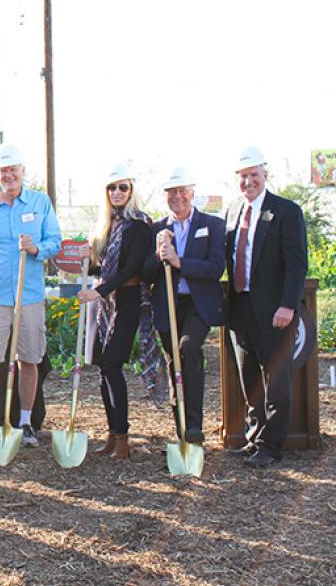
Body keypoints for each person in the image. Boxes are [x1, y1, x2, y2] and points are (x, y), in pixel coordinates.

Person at [0, 144, 62, 447]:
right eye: (3, 171)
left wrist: (36, 249)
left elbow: (55, 241)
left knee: (29, 359)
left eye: (13, 170)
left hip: (29, 296)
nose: (9, 175)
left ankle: (25, 423)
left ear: (22, 171)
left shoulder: (39, 202)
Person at [225, 146, 308, 468]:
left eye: (254, 176)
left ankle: (271, 446)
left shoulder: (286, 211)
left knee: (275, 380)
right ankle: (254, 438)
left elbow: (296, 264)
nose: (248, 183)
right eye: (243, 177)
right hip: (241, 309)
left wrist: (288, 305)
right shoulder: (233, 211)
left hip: (275, 311)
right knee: (249, 379)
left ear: (265, 175)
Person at [142, 166, 225, 445]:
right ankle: (182, 430)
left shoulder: (212, 225)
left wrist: (178, 261)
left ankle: (195, 425)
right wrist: (158, 255)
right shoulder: (158, 229)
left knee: (188, 349)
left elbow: (215, 268)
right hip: (168, 304)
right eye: (172, 192)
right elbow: (146, 275)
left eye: (182, 191)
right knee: (173, 362)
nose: (177, 196)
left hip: (197, 305)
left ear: (192, 193)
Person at [77, 164, 153, 460]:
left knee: (112, 365)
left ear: (131, 190)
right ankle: (112, 434)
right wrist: (89, 259)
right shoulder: (106, 226)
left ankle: (123, 437)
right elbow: (103, 267)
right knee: (103, 368)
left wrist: (100, 290)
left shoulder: (139, 224)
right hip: (107, 304)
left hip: (128, 299)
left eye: (123, 187)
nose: (117, 193)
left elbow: (131, 268)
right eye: (112, 188)